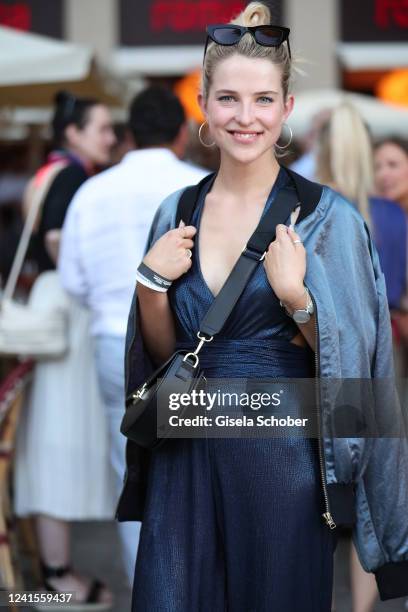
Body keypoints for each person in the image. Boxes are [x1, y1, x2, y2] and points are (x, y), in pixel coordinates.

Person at [118, 4, 408, 611]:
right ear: (203, 104)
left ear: (286, 109)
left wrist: (300, 301)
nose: (245, 117)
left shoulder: (330, 219)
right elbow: (167, 355)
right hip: (186, 462)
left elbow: (359, 367)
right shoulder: (176, 210)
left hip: (283, 469)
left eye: (262, 100)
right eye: (227, 99)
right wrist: (150, 285)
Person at [58, 85, 208, 585]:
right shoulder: (201, 186)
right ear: (182, 133)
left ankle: (147, 584)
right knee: (196, 463)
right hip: (193, 345)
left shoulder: (92, 191)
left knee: (128, 461)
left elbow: (71, 281)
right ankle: (194, 579)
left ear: (127, 136)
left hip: (108, 340)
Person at [14, 91, 117, 608]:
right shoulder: (73, 176)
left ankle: (57, 570)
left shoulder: (48, 172)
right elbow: (57, 241)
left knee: (52, 435)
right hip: (67, 307)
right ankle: (57, 578)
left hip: (50, 302)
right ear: (73, 133)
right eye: (102, 128)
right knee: (60, 437)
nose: (111, 138)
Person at [316, 104, 407, 612]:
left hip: (321, 352)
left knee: (322, 478)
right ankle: (360, 608)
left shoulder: (310, 211)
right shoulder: (391, 214)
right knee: (375, 480)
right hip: (382, 353)